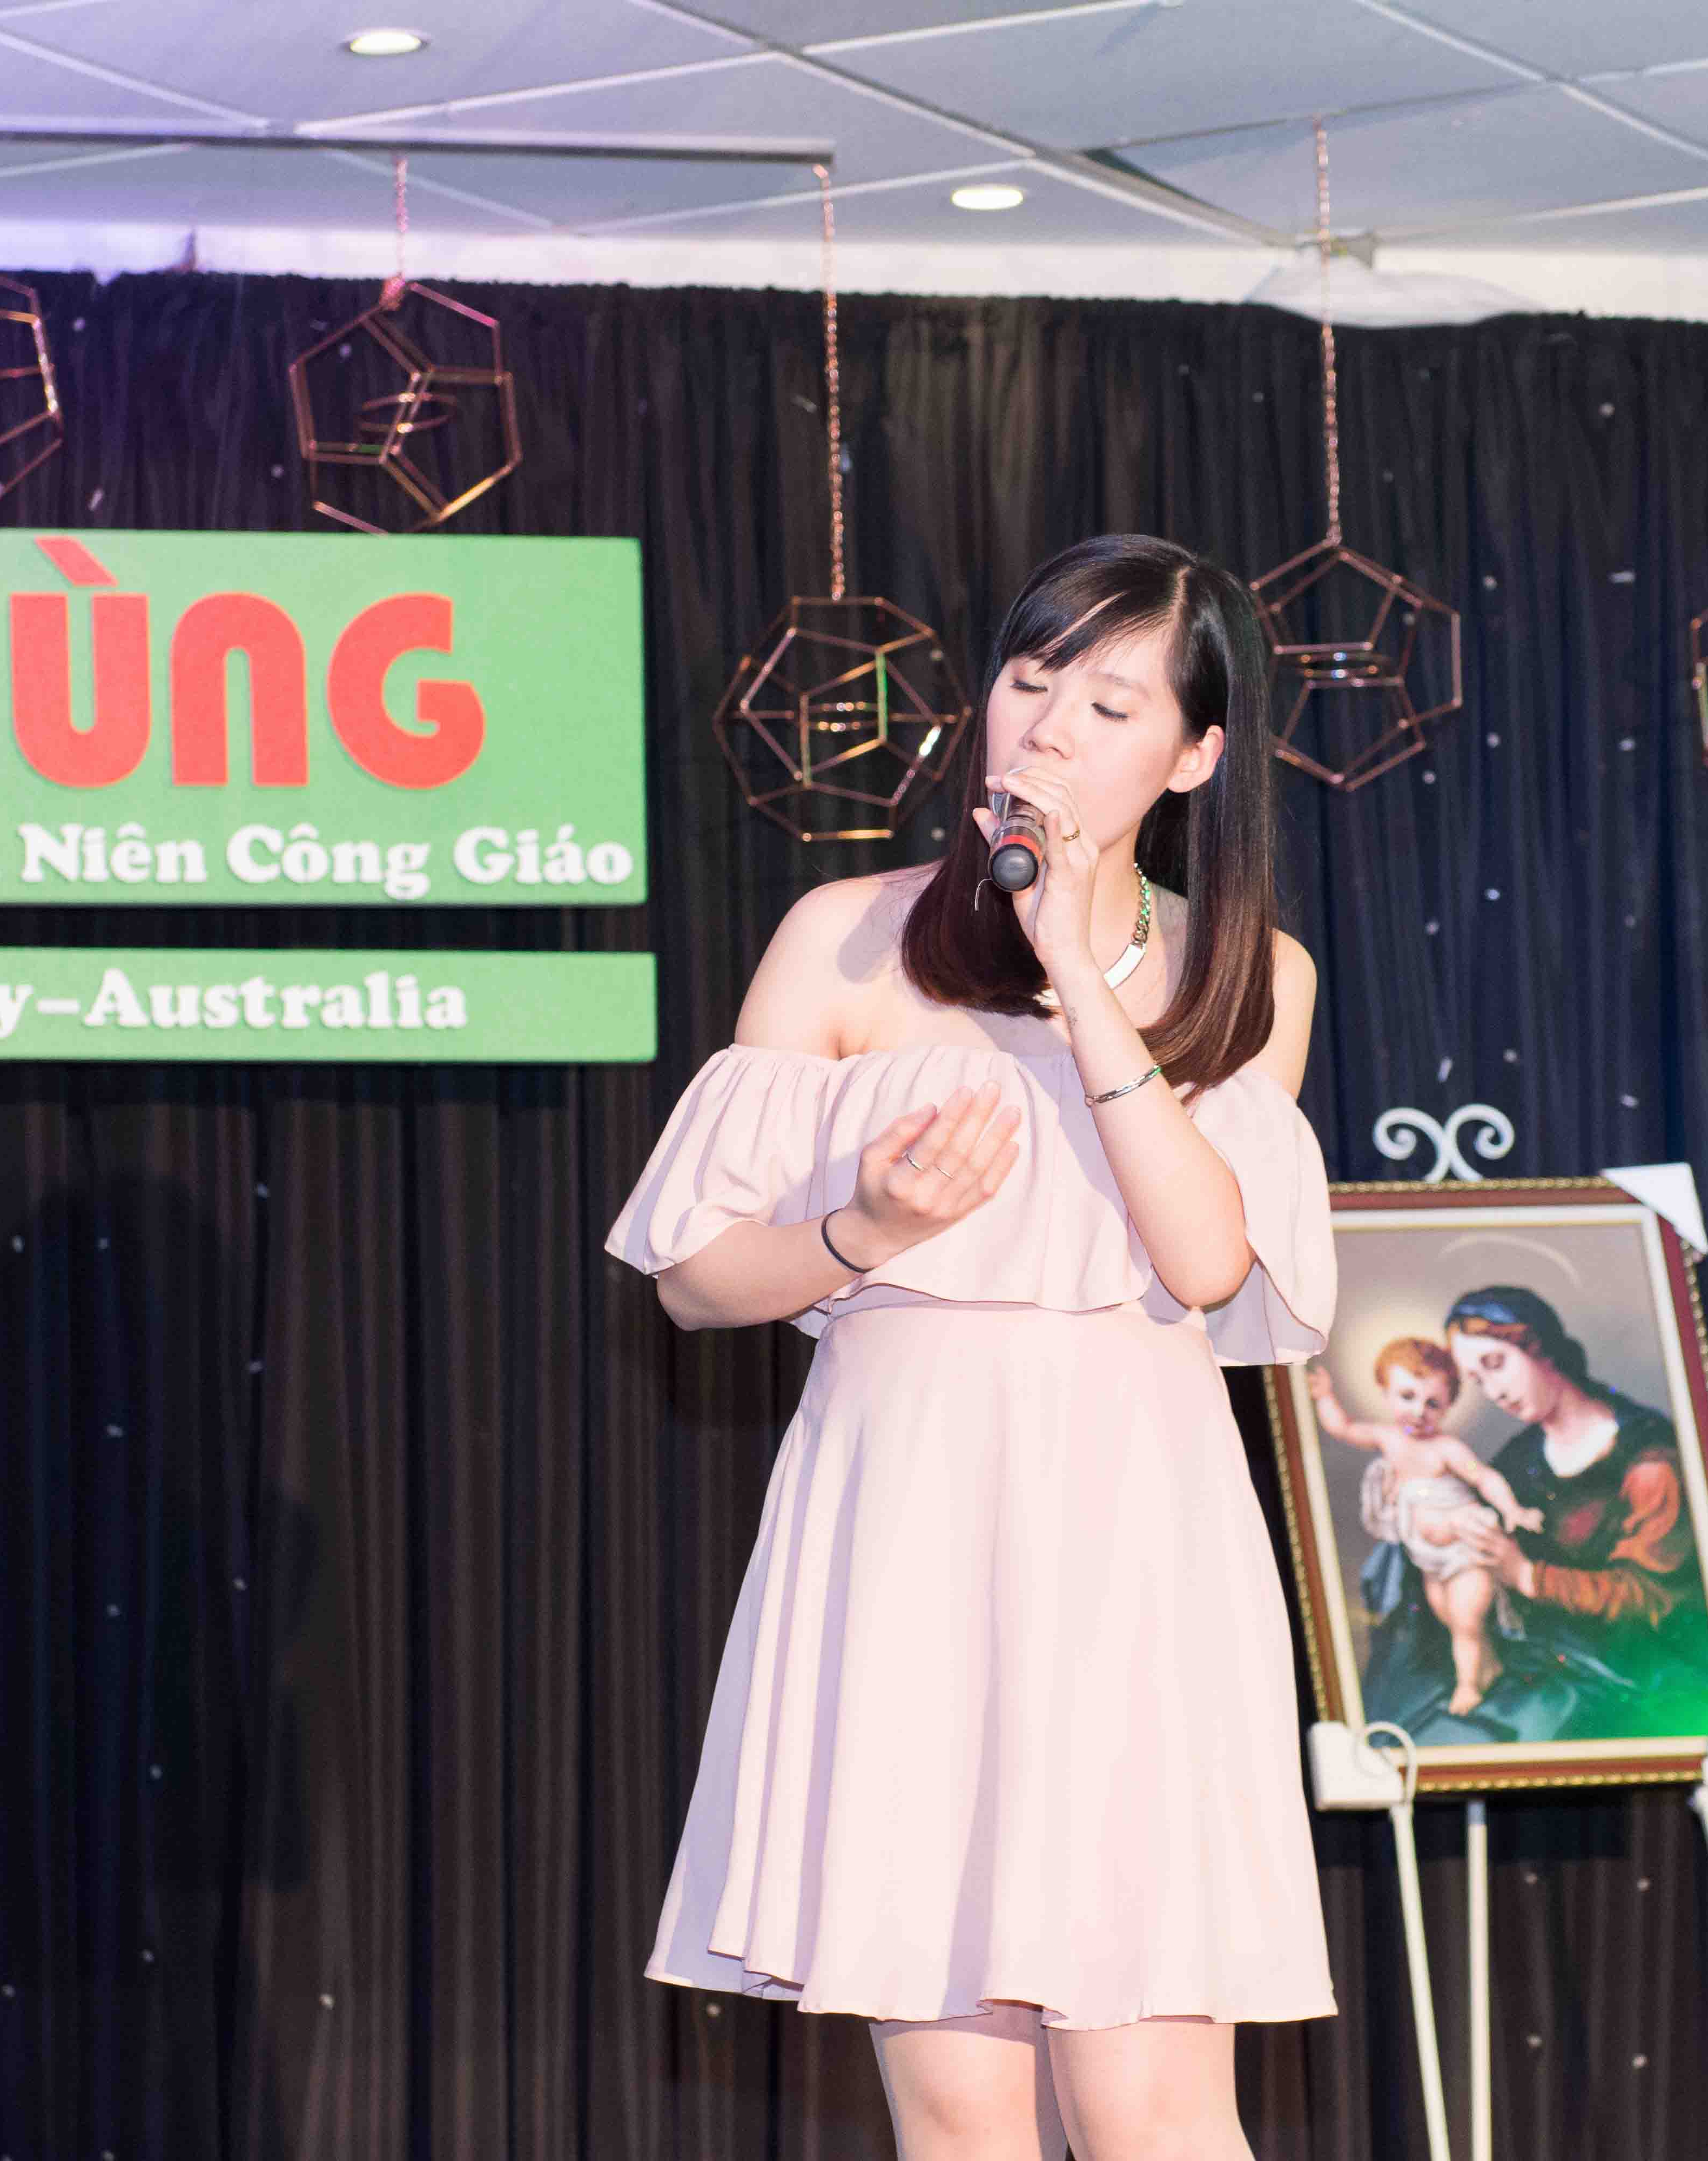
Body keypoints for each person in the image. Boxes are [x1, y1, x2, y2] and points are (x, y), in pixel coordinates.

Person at [604, 534, 1338, 2161]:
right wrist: (861, 1227)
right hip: (904, 1524)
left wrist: (1074, 960)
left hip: (1135, 1540)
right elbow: (695, 1282)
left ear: (1194, 756)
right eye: (1029, 679)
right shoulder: (841, 937)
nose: (1050, 726)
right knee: (959, 2113)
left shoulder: (1247, 973)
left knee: (1153, 2106)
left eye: (1111, 703)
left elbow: (1207, 1260)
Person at [1359, 1285, 1708, 1746]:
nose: (1494, 1392)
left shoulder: (1648, 1460)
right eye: (1478, 1380)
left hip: (1626, 1677)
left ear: (1537, 1346)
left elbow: (1655, 1601)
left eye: (1496, 1364)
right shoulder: (1519, 1459)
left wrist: (1527, 1576)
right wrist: (1452, 1530)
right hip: (1533, 1659)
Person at [1304, 1340, 1541, 1715]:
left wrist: (1512, 1509)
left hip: (1466, 1554)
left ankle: (1468, 1688)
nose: (1419, 1411)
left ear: (1448, 1407)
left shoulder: (1446, 1448)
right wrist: (1324, 1397)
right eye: (1408, 1397)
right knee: (1453, 1621)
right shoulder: (1388, 1438)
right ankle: (1490, 1667)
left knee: (1465, 1622)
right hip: (1430, 1559)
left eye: (1433, 1404)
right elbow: (1343, 1428)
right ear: (1385, 1392)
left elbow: (1484, 1477)